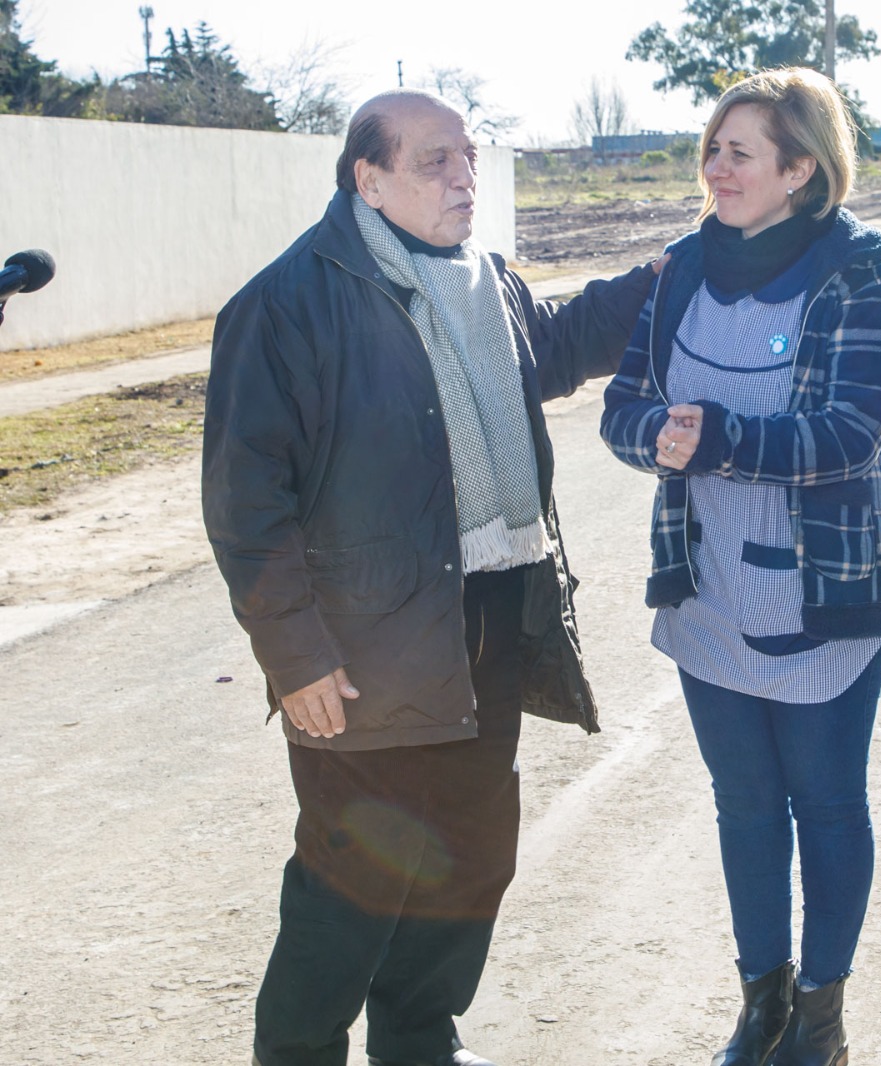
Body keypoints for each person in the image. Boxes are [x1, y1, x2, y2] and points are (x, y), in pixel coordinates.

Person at [202, 89, 658, 1066]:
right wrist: (295, 656)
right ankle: (299, 1051)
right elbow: (246, 504)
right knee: (351, 879)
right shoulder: (287, 304)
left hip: (493, 616)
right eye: (435, 161)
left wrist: (662, 275)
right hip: (366, 647)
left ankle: (418, 1040)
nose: (464, 178)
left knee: (466, 853)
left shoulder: (481, 280)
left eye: (469, 158)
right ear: (368, 179)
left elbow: (562, 346)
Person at [599, 67, 881, 1066]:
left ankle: (819, 1016)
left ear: (800, 168)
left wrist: (720, 439)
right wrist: (657, 432)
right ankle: (761, 999)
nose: (715, 166)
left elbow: (853, 433)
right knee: (743, 804)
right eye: (712, 147)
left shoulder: (853, 270)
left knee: (823, 801)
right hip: (708, 591)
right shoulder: (682, 266)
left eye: (739, 151)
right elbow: (621, 406)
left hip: (824, 598)